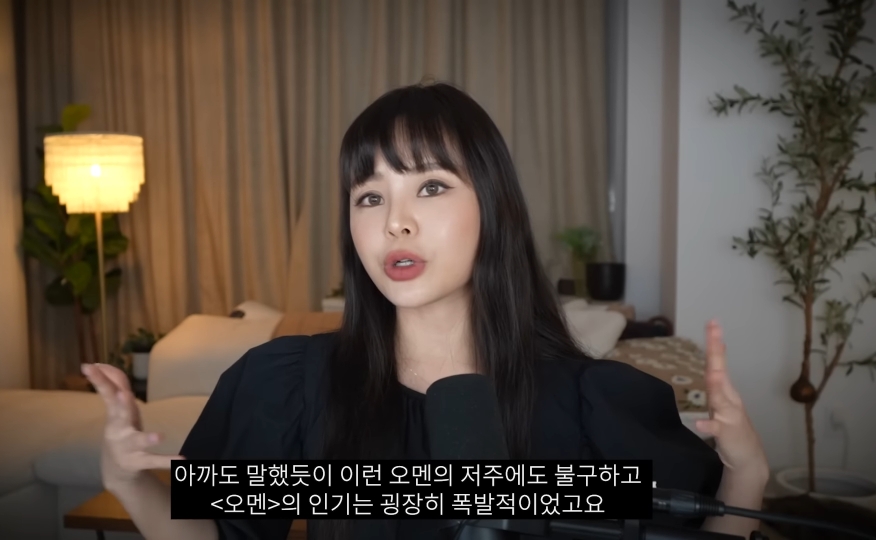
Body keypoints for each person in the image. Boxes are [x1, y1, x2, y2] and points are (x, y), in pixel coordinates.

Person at [82, 81, 770, 540]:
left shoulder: (591, 402)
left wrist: (747, 472)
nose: (395, 222)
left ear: (493, 208)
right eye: (370, 197)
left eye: (431, 186)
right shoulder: (288, 384)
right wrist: (125, 480)